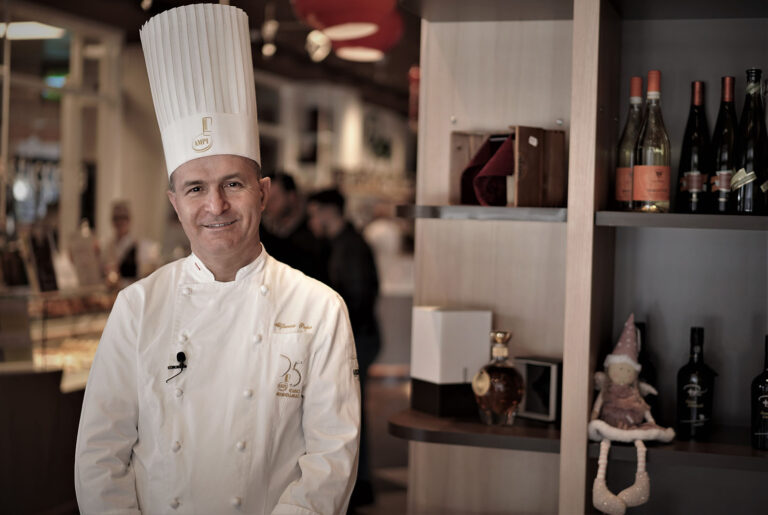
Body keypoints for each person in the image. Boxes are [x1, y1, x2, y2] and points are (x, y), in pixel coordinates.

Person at [74, 5, 360, 515]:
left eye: (233, 184)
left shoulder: (320, 309)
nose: (216, 206)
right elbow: (100, 453)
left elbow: (331, 457)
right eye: (196, 188)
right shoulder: (138, 307)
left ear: (264, 192)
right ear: (174, 203)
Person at [306, 189, 381, 509]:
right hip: (357, 334)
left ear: (328, 211)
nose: (311, 222)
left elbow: (358, 300)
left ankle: (358, 483)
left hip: (359, 337)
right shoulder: (340, 244)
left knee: (349, 408)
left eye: (314, 214)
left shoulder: (351, 246)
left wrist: (335, 331)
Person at [260, 172, 328, 282]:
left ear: (291, 197)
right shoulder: (266, 231)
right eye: (266, 199)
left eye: (274, 198)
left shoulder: (313, 232)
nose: (268, 205)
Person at [101, 200, 160, 281]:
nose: (119, 222)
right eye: (116, 218)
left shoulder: (140, 246)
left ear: (129, 219)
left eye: (123, 217)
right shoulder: (107, 246)